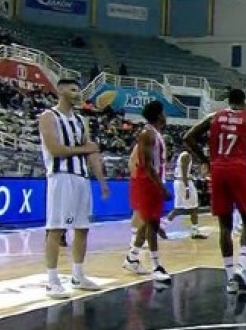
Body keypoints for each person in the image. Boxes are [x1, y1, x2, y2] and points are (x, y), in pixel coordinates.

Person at [184, 88, 246, 294]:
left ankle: (230, 279)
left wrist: (205, 160)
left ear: (228, 101)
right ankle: (240, 268)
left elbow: (188, 137)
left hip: (218, 169)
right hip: (238, 169)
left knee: (225, 226)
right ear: (244, 103)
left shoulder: (213, 117)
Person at [38, 79, 109, 299]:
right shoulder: (49, 116)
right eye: (73, 89)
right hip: (60, 176)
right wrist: (84, 149)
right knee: (56, 229)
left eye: (79, 90)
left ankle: (78, 276)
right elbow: (55, 149)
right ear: (60, 90)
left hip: (81, 178)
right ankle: (52, 281)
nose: (77, 93)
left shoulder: (80, 120)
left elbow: (92, 152)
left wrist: (102, 181)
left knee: (82, 228)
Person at [124, 101, 171, 281]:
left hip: (152, 182)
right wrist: (161, 187)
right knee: (152, 224)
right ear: (158, 115)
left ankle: (132, 257)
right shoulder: (147, 134)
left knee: (148, 223)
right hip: (148, 183)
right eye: (163, 113)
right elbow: (146, 165)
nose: (165, 116)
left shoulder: (154, 134)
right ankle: (156, 266)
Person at [166, 148, 207, 240]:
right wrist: (187, 188)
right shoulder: (186, 156)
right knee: (193, 208)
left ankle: (162, 226)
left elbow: (183, 172)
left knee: (180, 208)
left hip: (180, 182)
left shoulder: (184, 155)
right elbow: (184, 173)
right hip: (184, 183)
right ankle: (194, 232)